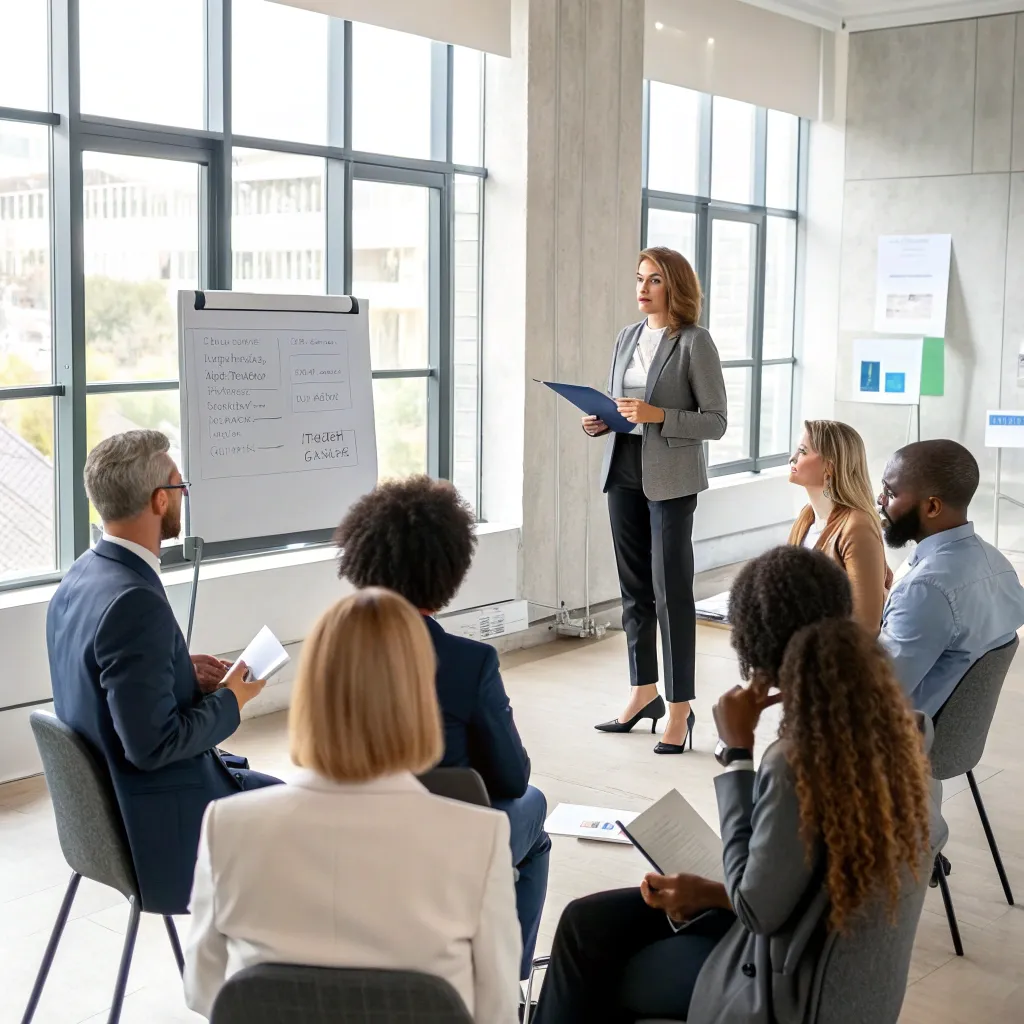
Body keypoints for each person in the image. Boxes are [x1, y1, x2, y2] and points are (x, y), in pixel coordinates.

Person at [532, 545, 945, 1024]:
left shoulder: (797, 763)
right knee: (589, 922)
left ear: (756, 650)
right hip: (824, 973)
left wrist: (736, 754)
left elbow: (757, 911)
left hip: (776, 990)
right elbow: (803, 886)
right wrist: (709, 893)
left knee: (592, 951)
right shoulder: (902, 733)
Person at [183, 589, 521, 1023]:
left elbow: (203, 990)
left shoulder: (227, 825)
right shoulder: (478, 838)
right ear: (418, 699)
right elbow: (496, 1011)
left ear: (313, 693)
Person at [45, 430, 279, 916]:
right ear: (158, 500)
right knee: (308, 815)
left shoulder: (81, 578)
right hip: (161, 835)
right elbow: (153, 747)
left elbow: (104, 689)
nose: (184, 495)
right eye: (179, 486)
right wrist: (233, 698)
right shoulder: (135, 601)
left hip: (104, 824)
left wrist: (179, 673)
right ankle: (276, 980)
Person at [334, 476, 549, 983]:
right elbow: (511, 781)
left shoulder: (333, 654)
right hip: (442, 856)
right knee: (534, 809)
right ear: (449, 569)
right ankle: (504, 987)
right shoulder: (469, 663)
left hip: (352, 849)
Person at [586, 247, 727, 753]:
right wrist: (600, 419)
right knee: (633, 593)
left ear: (676, 288)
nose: (643, 289)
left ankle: (679, 707)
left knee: (673, 595)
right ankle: (642, 691)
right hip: (622, 469)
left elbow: (715, 421)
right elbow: (621, 406)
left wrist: (657, 414)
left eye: (654, 281)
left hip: (670, 479)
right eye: (639, 279)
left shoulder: (694, 343)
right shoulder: (627, 337)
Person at [878, 439, 1024, 717]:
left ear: (932, 507)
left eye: (890, 493)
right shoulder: (999, 564)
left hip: (895, 743)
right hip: (947, 742)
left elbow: (872, 692)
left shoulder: (925, 590)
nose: (881, 501)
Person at [787, 419, 892, 633]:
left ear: (830, 466)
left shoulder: (857, 527)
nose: (793, 458)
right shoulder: (806, 517)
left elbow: (866, 625)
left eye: (803, 451)